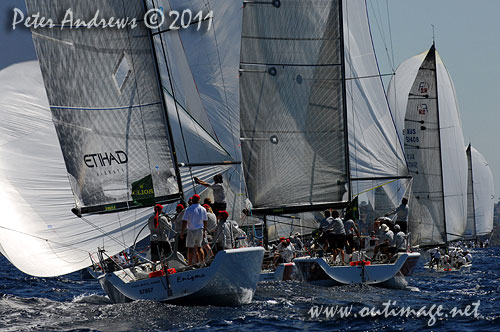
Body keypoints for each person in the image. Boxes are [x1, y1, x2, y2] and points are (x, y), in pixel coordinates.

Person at [180, 194, 207, 265]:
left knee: (190, 248)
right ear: (199, 200)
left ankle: (190, 264)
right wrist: (204, 231)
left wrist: (182, 231)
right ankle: (202, 262)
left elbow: (184, 221)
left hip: (191, 231)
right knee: (199, 247)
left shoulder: (188, 209)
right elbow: (205, 221)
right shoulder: (203, 209)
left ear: (192, 200)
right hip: (200, 230)